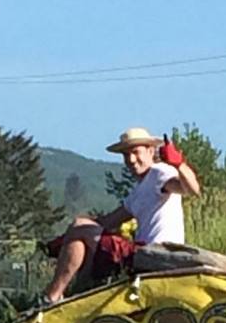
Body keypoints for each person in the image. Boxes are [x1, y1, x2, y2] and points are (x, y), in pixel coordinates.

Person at [43, 127, 200, 303]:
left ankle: (52, 296)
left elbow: (191, 189)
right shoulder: (137, 192)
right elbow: (107, 222)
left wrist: (179, 164)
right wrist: (68, 236)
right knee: (79, 236)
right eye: (126, 155)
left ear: (150, 151)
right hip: (140, 253)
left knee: (80, 227)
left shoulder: (160, 173)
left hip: (156, 253)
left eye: (135, 152)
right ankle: (75, 295)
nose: (131, 160)